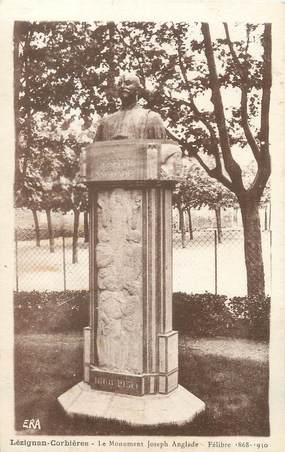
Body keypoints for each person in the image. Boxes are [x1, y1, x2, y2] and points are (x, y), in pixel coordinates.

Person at [94, 72, 166, 141]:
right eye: (119, 84)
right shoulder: (105, 123)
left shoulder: (151, 118)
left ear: (138, 90)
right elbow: (96, 151)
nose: (122, 86)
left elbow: (159, 150)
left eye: (128, 83)